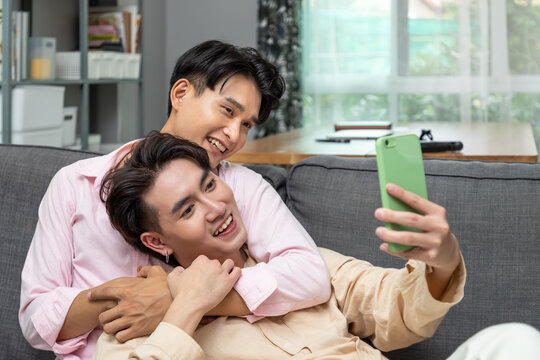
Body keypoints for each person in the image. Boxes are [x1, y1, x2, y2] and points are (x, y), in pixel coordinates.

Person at [95, 132, 540, 360]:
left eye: (210, 185)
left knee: (515, 341)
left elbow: (395, 312)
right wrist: (186, 308)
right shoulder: (141, 317)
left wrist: (440, 261)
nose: (216, 207)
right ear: (156, 240)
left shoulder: (301, 267)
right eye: (187, 209)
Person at [19, 40, 331, 360]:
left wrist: (185, 298)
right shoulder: (75, 184)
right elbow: (35, 319)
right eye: (228, 111)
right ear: (180, 94)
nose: (235, 135)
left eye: (246, 125)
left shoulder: (241, 187)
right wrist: (122, 300)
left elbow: (309, 275)